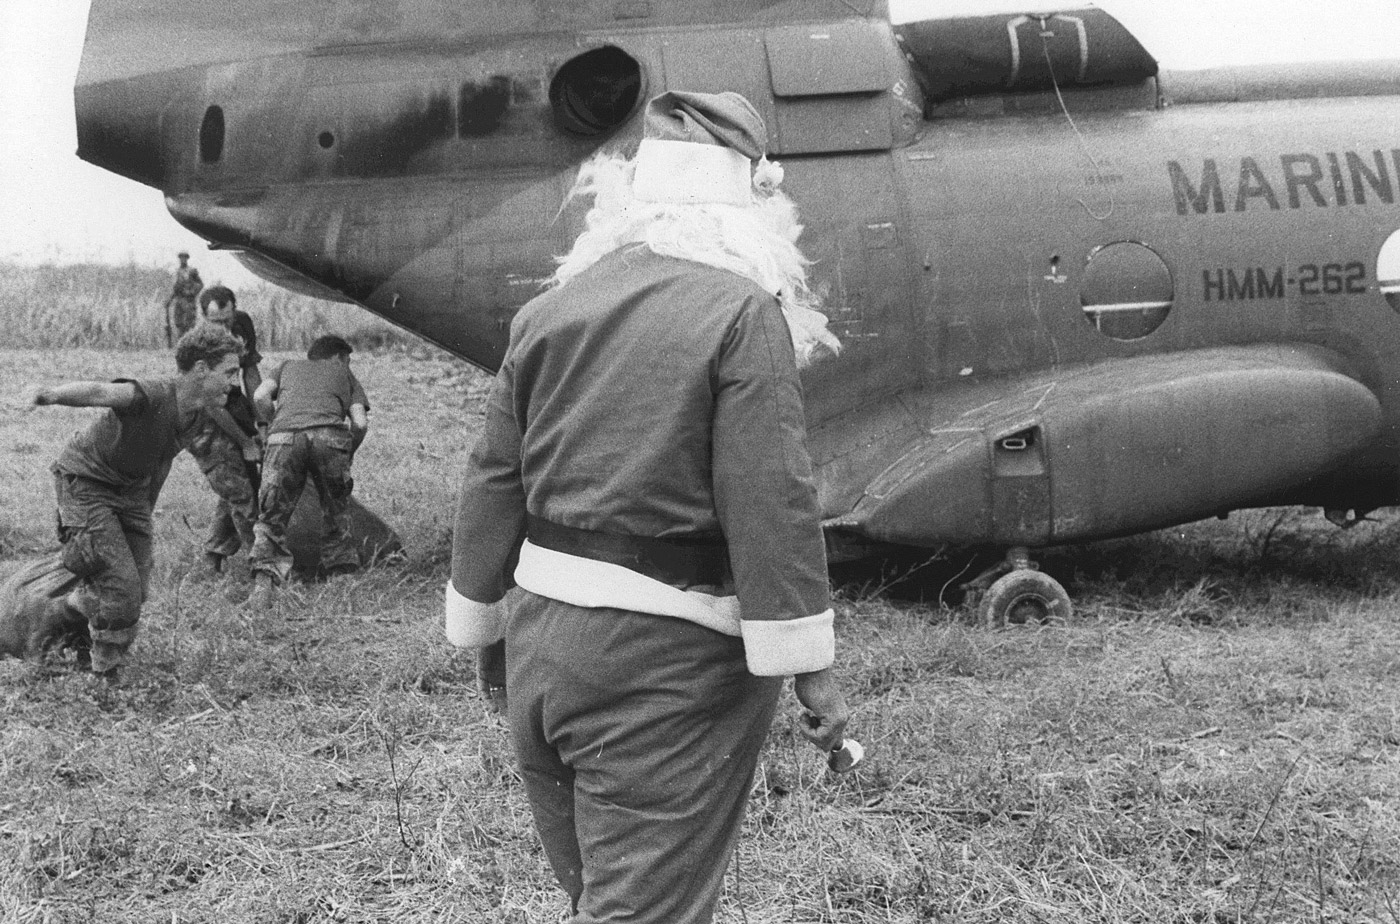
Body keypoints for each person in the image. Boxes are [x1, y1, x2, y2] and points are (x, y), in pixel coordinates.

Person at [445, 90, 851, 924]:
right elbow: (771, 498)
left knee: (598, 897)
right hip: (665, 663)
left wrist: (485, 631)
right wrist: (812, 670)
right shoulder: (742, 312)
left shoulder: (548, 311)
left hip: (543, 650)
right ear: (750, 203)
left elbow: (493, 479)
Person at [32, 325, 243, 674]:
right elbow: (102, 392)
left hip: (130, 492)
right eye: (230, 373)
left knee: (138, 590)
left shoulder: (198, 413)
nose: (234, 383)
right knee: (122, 590)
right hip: (87, 483)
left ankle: (69, 610)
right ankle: (104, 673)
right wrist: (48, 394)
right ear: (202, 369)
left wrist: (142, 514)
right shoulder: (154, 394)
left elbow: (161, 461)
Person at [248, 335, 369, 607]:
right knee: (336, 510)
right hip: (330, 438)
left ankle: (264, 585)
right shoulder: (344, 374)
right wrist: (346, 452)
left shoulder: (286, 366)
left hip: (284, 438)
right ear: (339, 357)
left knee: (271, 515)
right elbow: (360, 423)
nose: (347, 365)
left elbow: (259, 395)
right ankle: (342, 582)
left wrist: (275, 425)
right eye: (347, 360)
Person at [186, 285, 265, 577]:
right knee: (241, 491)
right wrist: (245, 442)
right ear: (203, 318)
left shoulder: (242, 324)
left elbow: (250, 373)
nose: (224, 328)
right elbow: (212, 406)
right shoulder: (196, 347)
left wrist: (262, 421)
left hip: (233, 403)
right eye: (216, 322)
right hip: (204, 420)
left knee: (237, 482)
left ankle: (211, 558)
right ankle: (262, 567)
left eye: (227, 320)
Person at [164, 251, 204, 347]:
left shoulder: (192, 271)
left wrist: (192, 292)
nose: (182, 260)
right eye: (181, 258)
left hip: (188, 301)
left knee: (189, 323)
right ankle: (181, 345)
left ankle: (190, 345)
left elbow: (200, 284)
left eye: (184, 258)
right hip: (179, 300)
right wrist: (169, 300)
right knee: (179, 323)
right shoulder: (177, 272)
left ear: (187, 259)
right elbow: (175, 288)